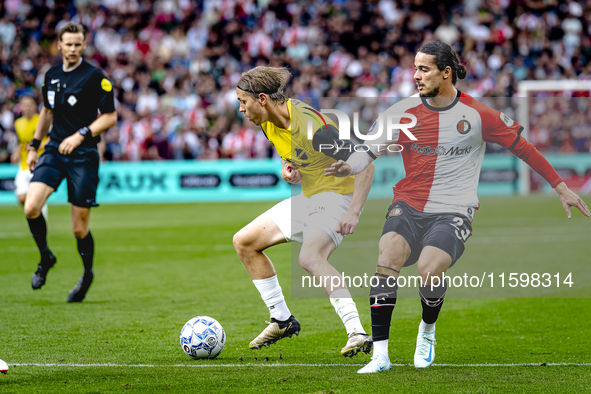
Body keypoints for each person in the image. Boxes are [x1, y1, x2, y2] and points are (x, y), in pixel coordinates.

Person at [325, 41, 590, 372]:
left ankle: (428, 330)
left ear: (445, 72)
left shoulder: (479, 114)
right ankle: (381, 356)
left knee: (429, 270)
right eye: (415, 69)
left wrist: (560, 186)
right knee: (386, 260)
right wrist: (347, 166)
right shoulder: (401, 112)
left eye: (424, 69)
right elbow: (367, 153)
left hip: (453, 209)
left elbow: (523, 147)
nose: (415, 76)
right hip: (408, 204)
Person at [232, 66, 375, 357]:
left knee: (310, 257)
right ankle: (282, 320)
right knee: (244, 242)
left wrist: (354, 213)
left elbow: (366, 164)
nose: (241, 109)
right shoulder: (267, 123)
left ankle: (356, 331)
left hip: (338, 197)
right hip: (311, 197)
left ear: (261, 99)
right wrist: (289, 170)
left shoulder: (313, 128)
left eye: (242, 102)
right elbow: (295, 158)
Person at [24, 23, 117, 302]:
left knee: (79, 228)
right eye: (69, 44)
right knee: (31, 207)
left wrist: (81, 134)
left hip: (84, 155)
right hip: (53, 150)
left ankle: (87, 274)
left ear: (84, 45)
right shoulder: (50, 76)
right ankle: (46, 257)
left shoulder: (95, 76)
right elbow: (46, 111)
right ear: (59, 45)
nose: (73, 49)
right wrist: (33, 146)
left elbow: (110, 117)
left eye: (78, 44)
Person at [12, 96, 48, 217]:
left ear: (35, 106)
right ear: (21, 107)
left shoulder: (41, 120)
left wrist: (36, 146)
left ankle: (38, 213)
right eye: (25, 105)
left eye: (30, 105)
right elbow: (21, 143)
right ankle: (38, 207)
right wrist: (16, 153)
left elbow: (51, 139)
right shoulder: (18, 123)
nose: (27, 108)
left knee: (36, 193)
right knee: (21, 197)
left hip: (39, 162)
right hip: (23, 163)